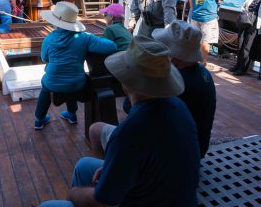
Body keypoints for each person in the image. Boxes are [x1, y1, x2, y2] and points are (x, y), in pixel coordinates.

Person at [39, 36, 200, 206]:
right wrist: (114, 170)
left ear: (128, 81)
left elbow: (102, 201)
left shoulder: (128, 134)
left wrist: (73, 195)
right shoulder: (178, 106)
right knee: (83, 165)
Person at [34, 2, 117, 129]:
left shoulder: (48, 39)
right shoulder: (85, 38)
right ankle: (72, 115)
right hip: (77, 83)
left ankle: (39, 120)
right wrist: (91, 38)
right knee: (71, 81)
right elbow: (112, 47)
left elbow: (45, 59)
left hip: (53, 82)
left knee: (45, 86)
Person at [152, 20, 217, 158]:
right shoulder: (203, 74)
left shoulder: (175, 84)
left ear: (174, 56)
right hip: (197, 148)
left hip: (176, 155)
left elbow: (132, 107)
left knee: (97, 129)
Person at [188, 0, 225, 67]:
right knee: (206, 41)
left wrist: (192, 8)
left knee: (196, 40)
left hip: (195, 15)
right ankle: (202, 63)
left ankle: (193, 61)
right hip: (208, 17)